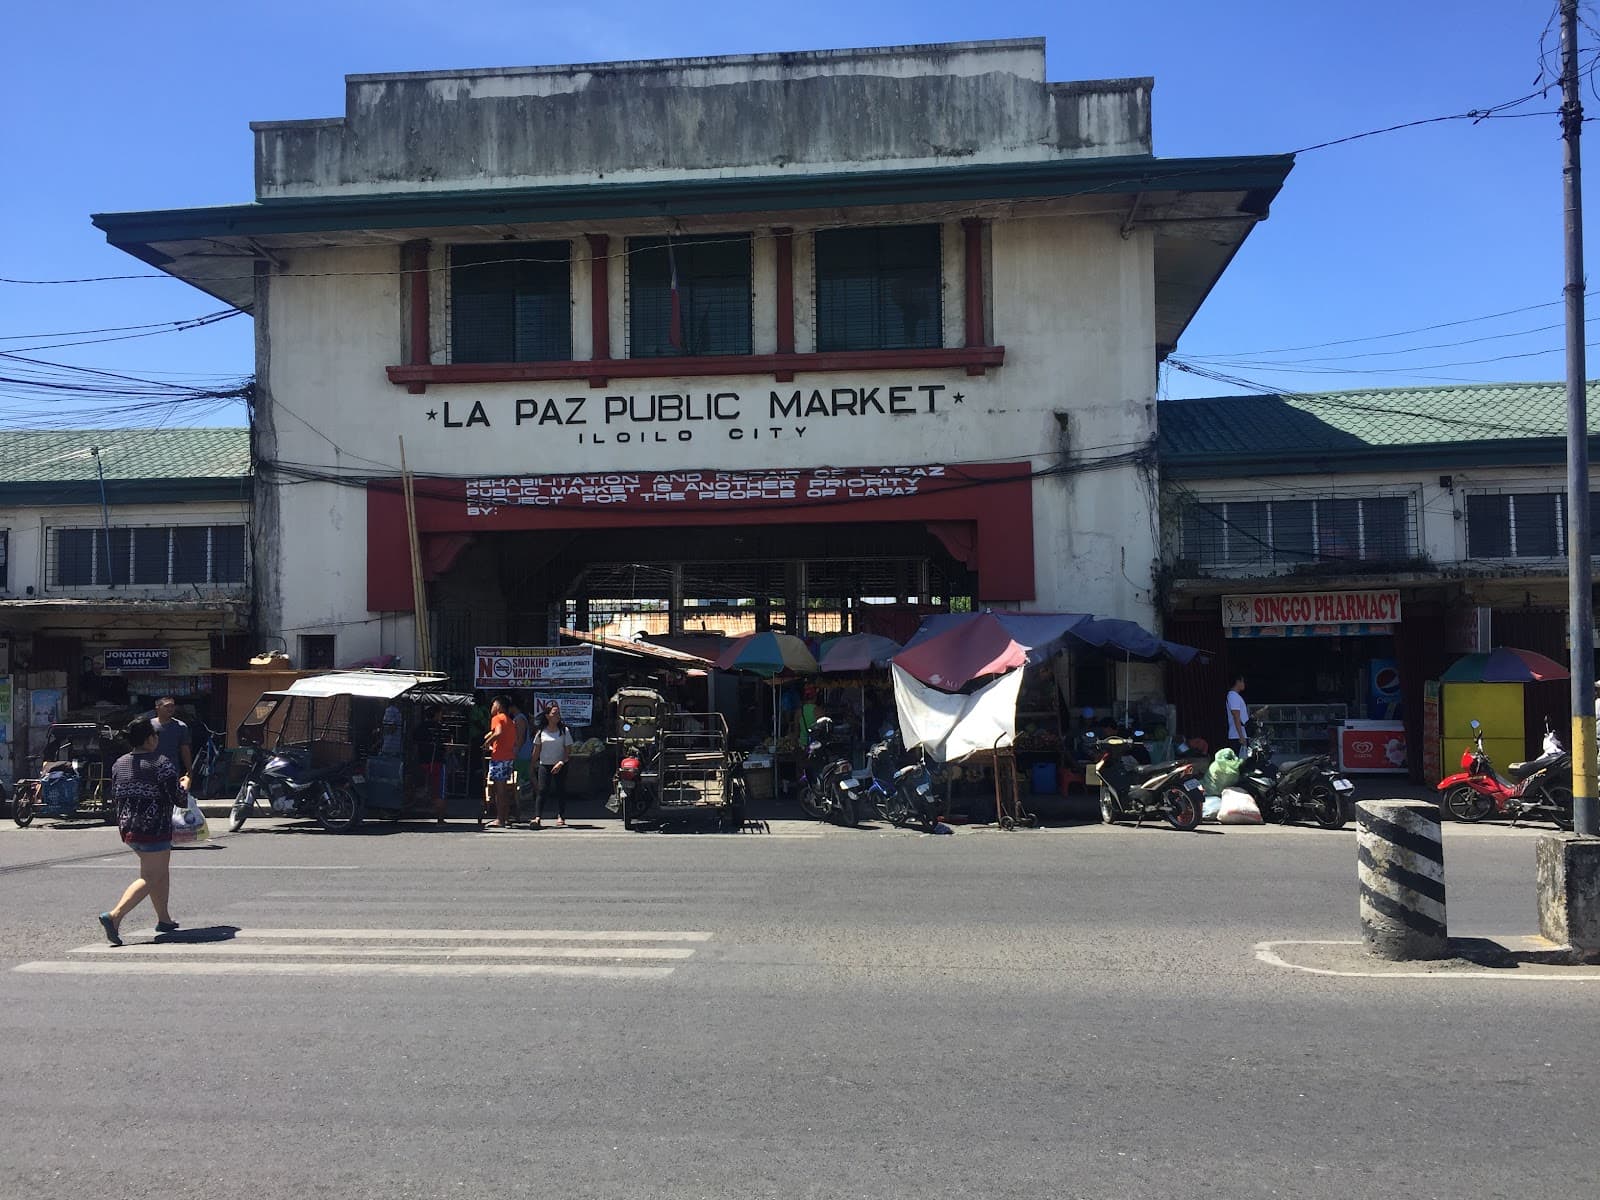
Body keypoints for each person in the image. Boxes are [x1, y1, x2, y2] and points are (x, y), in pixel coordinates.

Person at [97, 717, 182, 946]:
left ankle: (164, 919)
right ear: (149, 738)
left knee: (159, 871)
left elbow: (115, 793)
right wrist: (185, 785)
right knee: (151, 876)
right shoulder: (160, 763)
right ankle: (114, 917)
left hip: (129, 827)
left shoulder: (119, 763)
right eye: (155, 736)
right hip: (154, 827)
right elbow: (177, 797)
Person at [531, 701, 575, 829]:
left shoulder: (564, 731)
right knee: (542, 790)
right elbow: (536, 750)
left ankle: (561, 815)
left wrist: (561, 762)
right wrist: (532, 764)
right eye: (554, 713)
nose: (557, 716)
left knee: (561, 790)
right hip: (545, 764)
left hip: (560, 764)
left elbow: (568, 751)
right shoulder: (541, 732)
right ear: (547, 716)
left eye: (558, 714)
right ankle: (538, 817)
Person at [481, 696, 517, 828]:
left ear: (499, 707)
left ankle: (500, 819)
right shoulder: (510, 721)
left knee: (499, 790)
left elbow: (498, 732)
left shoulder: (497, 718)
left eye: (493, 705)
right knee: (505, 790)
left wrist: (487, 743)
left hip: (499, 757)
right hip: (508, 757)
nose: (492, 708)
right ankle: (505, 817)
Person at [148, 696, 193, 787]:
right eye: (167, 706)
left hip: (171, 767)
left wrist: (189, 769)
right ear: (157, 708)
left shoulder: (181, 727)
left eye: (172, 706)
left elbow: (185, 750)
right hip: (150, 767)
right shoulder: (148, 725)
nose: (170, 709)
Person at [413, 705, 446, 823]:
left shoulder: (419, 727)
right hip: (437, 762)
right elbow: (446, 746)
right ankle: (440, 819)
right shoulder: (440, 728)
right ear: (436, 714)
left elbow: (415, 745)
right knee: (438, 790)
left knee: (427, 786)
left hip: (423, 762)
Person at [509, 695, 533, 825]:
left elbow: (520, 737)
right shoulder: (520, 718)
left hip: (522, 754)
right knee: (524, 779)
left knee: (521, 781)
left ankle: (522, 808)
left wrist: (515, 751)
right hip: (522, 753)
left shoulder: (519, 719)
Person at [1226, 676, 1250, 749]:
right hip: (1236, 736)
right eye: (1242, 681)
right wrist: (1241, 736)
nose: (1244, 684)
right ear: (1237, 682)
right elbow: (1236, 716)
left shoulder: (1236, 696)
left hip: (1240, 735)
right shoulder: (1233, 696)